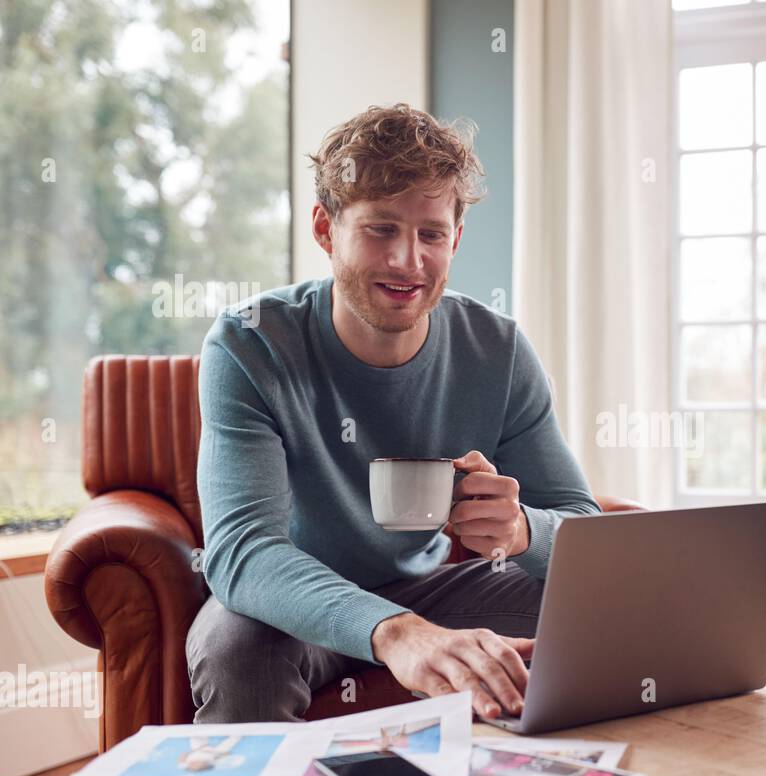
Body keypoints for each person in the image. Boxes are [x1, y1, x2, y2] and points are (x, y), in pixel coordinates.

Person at [186, 104, 599, 724]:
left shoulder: (499, 350)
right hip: (293, 599)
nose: (408, 261)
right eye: (381, 229)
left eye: (431, 234)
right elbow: (244, 551)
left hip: (437, 588)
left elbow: (583, 531)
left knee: (617, 610)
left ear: (454, 238)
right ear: (326, 229)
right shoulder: (251, 343)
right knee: (237, 651)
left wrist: (519, 531)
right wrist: (397, 633)